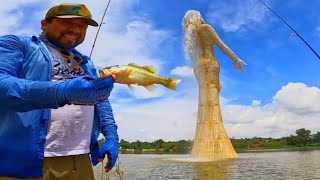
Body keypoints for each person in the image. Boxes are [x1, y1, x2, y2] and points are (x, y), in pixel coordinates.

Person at [0, 3, 119, 180]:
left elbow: (100, 100)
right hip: (27, 161)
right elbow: (3, 85)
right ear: (44, 23)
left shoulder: (86, 62)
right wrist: (62, 92)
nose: (75, 29)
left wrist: (111, 135)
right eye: (68, 22)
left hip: (80, 157)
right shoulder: (17, 44)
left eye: (81, 26)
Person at [182, 10, 246, 159]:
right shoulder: (205, 28)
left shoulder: (189, 35)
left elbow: (193, 56)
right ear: (198, 17)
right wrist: (235, 59)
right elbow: (221, 45)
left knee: (208, 98)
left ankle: (204, 147)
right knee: (213, 100)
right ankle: (216, 146)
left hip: (198, 67)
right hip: (210, 64)